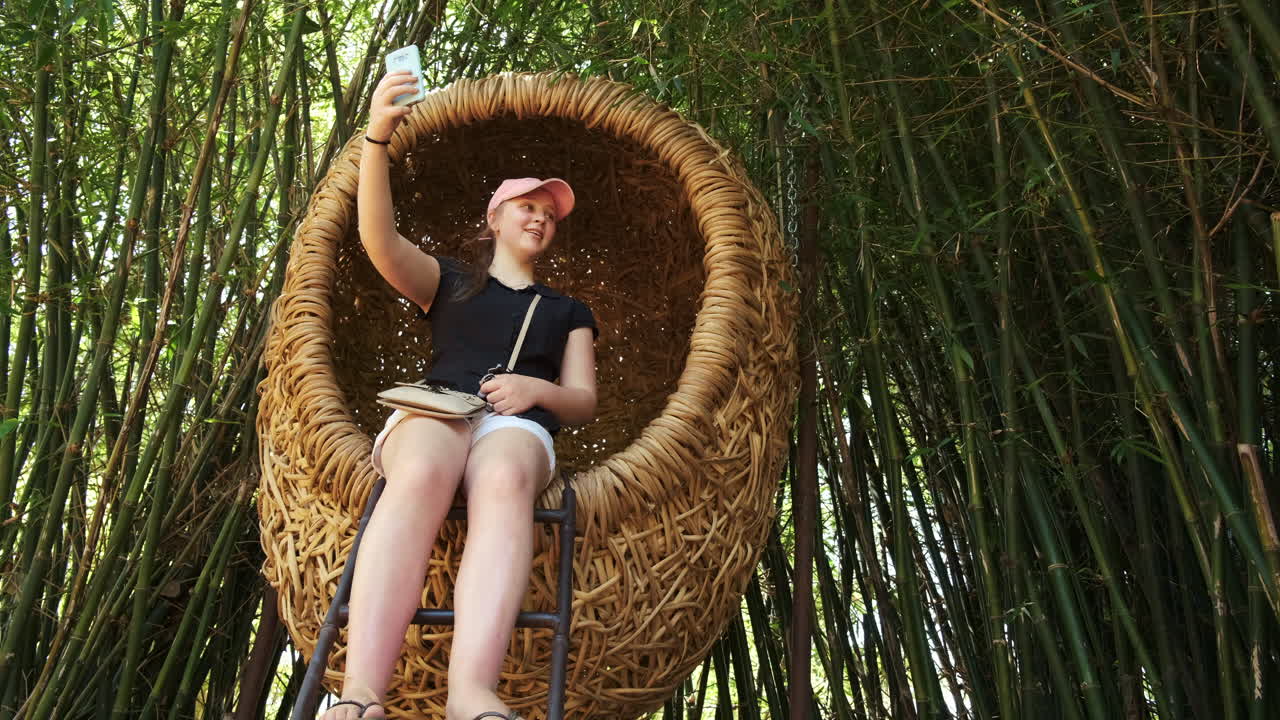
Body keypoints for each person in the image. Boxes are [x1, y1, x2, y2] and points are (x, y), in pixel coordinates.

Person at [320, 70, 599, 720]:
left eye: (549, 213)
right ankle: (361, 692)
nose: (540, 216)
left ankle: (471, 693)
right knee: (419, 469)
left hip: (518, 426)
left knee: (503, 479)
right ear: (494, 217)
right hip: (441, 407)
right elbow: (378, 241)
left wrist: (537, 390)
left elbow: (583, 400)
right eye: (527, 205)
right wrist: (378, 139)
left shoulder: (568, 311)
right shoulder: (448, 280)